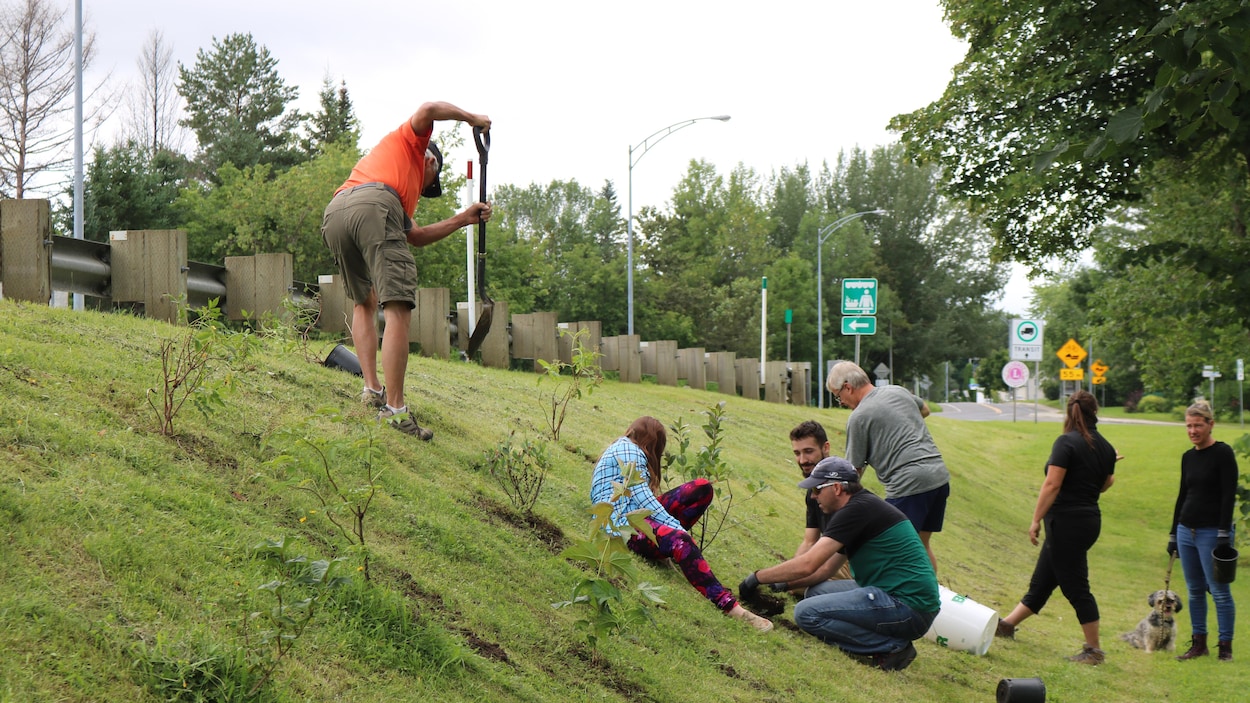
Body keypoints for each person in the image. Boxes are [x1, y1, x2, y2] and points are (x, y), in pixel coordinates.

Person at [321, 102, 493, 440]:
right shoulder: (414, 145)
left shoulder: (385, 172)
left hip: (336, 212)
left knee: (364, 301)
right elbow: (428, 109)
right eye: (432, 182)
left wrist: (464, 218)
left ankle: (372, 390)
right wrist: (472, 119)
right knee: (397, 305)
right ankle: (396, 412)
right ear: (431, 162)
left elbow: (414, 236)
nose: (426, 189)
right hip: (373, 206)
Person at [740, 457, 939, 670]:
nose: (813, 496)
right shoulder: (861, 506)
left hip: (909, 608)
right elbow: (826, 569)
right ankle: (884, 638)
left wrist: (756, 578)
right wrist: (783, 585)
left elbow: (807, 564)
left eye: (817, 489)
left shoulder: (856, 510)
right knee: (816, 592)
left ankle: (892, 647)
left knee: (806, 614)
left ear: (836, 488)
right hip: (893, 594)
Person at [590, 416, 773, 632]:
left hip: (635, 516)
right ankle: (731, 607)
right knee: (680, 541)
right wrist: (676, 528)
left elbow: (642, 501)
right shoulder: (630, 451)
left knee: (701, 488)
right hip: (625, 528)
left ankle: (670, 547)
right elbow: (642, 498)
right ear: (653, 444)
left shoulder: (623, 447)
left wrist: (671, 525)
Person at [996, 390, 1117, 665]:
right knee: (1043, 582)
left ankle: (1094, 650)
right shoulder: (1107, 447)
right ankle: (1007, 625)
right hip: (1088, 520)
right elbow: (1105, 484)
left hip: (1066, 523)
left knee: (1077, 587)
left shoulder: (1066, 442)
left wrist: (1035, 519)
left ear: (1069, 412)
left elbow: (1052, 484)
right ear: (1095, 411)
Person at [826, 361, 951, 572]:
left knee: (891, 549)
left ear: (848, 387)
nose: (841, 402)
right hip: (938, 476)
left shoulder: (859, 417)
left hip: (909, 485)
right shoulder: (897, 391)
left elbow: (852, 472)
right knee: (921, 545)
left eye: (838, 396)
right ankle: (930, 600)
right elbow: (926, 410)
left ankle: (906, 600)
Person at [1169, 399, 1238, 662]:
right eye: (1188, 426)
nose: (1192, 431)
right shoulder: (1188, 456)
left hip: (1212, 533)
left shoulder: (1223, 453)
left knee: (1219, 591)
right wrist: (1173, 533)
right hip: (1187, 531)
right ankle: (1199, 644)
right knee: (1194, 589)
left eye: (1198, 425)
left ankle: (1225, 647)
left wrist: (1223, 533)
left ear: (1211, 424)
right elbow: (1182, 495)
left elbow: (1228, 496)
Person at [789, 421, 852, 581]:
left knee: (801, 582)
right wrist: (791, 569)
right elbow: (809, 541)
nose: (802, 460)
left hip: (853, 563)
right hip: (832, 557)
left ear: (826, 447)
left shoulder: (841, 490)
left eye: (808, 451)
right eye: (797, 453)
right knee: (791, 577)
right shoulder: (813, 491)